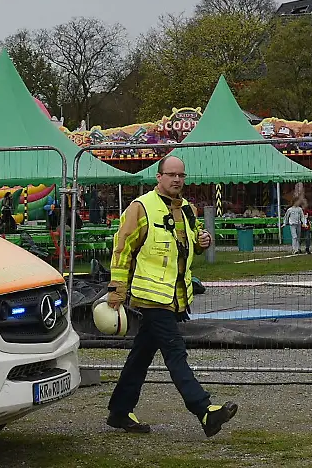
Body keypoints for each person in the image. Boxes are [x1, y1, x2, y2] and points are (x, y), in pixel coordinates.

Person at [105, 155, 239, 437]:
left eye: (181, 175)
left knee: (141, 355)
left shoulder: (186, 209)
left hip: (175, 296)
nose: (177, 180)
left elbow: (187, 242)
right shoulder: (141, 207)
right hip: (151, 296)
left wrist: (202, 242)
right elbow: (122, 249)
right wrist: (117, 290)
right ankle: (204, 411)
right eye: (171, 175)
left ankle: (119, 411)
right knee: (175, 352)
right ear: (159, 177)